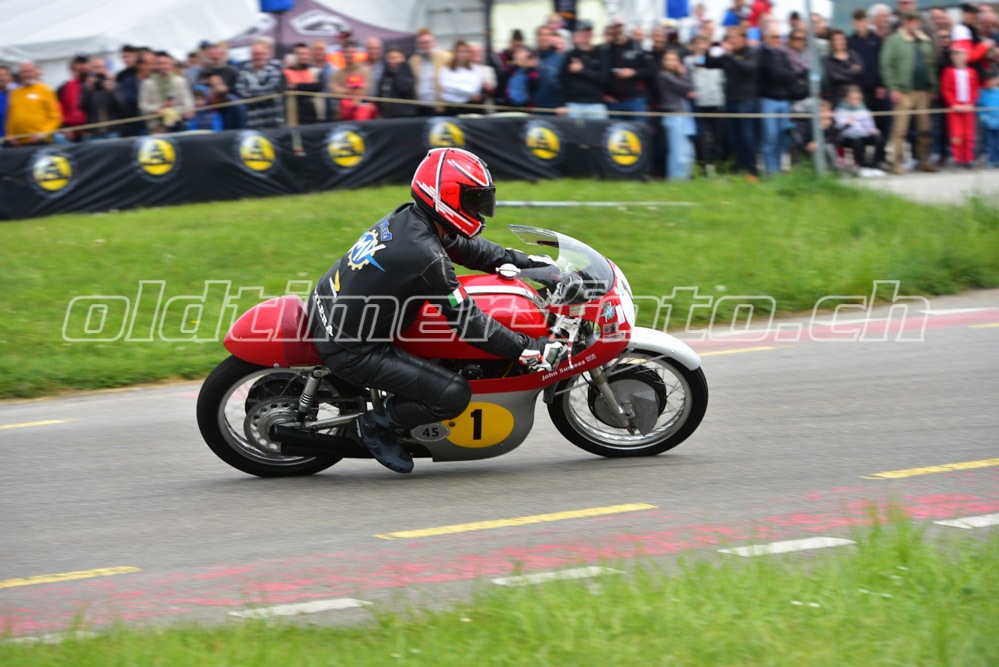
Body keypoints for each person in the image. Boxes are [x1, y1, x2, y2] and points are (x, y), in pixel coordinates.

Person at [307, 148, 560, 474]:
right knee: (452, 393)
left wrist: (526, 264)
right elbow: (469, 323)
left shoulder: (412, 219)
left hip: (328, 304)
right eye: (473, 199)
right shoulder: (426, 256)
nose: (480, 208)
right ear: (445, 198)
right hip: (351, 348)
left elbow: (467, 248)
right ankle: (374, 424)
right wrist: (526, 348)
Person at [880, 11, 938, 173]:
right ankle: (896, 163)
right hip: (903, 91)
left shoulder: (924, 40)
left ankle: (924, 161)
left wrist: (933, 87)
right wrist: (893, 87)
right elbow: (886, 65)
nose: (913, 23)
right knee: (900, 130)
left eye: (915, 20)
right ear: (904, 22)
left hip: (923, 91)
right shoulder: (894, 40)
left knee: (925, 129)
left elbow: (931, 65)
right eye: (910, 20)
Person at [706, 26, 761, 177]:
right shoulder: (728, 55)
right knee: (733, 138)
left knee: (747, 138)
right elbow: (709, 63)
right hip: (730, 101)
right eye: (730, 38)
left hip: (746, 102)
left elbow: (748, 68)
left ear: (743, 38)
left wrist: (730, 55)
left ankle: (752, 171)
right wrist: (710, 47)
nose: (732, 41)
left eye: (735, 37)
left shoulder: (752, 52)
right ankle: (739, 170)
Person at [850, 8, 890, 166]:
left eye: (863, 20)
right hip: (859, 91)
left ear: (867, 22)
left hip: (876, 89)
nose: (860, 24)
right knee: (861, 126)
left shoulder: (876, 40)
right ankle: (862, 160)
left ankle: (880, 157)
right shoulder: (851, 41)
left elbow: (882, 63)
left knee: (882, 124)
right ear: (854, 23)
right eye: (857, 21)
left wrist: (882, 84)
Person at [757, 26, 795, 175]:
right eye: (774, 37)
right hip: (768, 100)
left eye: (779, 37)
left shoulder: (783, 54)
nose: (778, 40)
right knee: (770, 137)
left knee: (781, 137)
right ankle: (770, 171)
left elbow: (791, 74)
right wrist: (783, 75)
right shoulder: (762, 54)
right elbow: (772, 73)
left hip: (784, 100)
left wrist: (782, 75)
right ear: (766, 38)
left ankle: (778, 169)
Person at [685, 35, 726, 168]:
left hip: (717, 101)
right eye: (698, 43)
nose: (701, 46)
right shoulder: (689, 60)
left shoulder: (717, 60)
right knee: (701, 136)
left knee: (718, 135)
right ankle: (702, 164)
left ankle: (719, 164)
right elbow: (697, 64)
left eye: (704, 43)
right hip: (699, 102)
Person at [602, 16, 654, 119]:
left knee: (637, 128)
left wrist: (634, 72)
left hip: (635, 99)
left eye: (620, 26)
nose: (617, 29)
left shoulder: (637, 46)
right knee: (616, 129)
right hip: (614, 100)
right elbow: (602, 74)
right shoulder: (605, 49)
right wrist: (604, 95)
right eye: (614, 27)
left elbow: (652, 70)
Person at [558, 19, 609, 119]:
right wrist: (561, 104)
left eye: (588, 31)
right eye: (583, 31)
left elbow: (604, 78)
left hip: (595, 103)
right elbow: (563, 81)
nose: (586, 34)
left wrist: (582, 70)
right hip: (573, 103)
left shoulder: (601, 53)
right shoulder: (570, 54)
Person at [941, 43, 981, 168]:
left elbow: (975, 89)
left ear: (966, 56)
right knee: (956, 133)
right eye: (955, 54)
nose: (958, 57)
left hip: (968, 107)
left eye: (960, 54)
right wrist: (953, 104)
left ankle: (968, 157)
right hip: (955, 108)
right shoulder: (948, 72)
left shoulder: (972, 72)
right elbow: (946, 89)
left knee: (969, 133)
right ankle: (957, 157)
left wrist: (971, 103)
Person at [658, 50, 696, 180]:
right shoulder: (664, 75)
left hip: (684, 116)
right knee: (678, 152)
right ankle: (676, 179)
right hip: (674, 117)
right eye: (667, 60)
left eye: (673, 60)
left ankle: (685, 179)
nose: (670, 62)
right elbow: (686, 87)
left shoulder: (675, 76)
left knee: (687, 151)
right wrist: (684, 74)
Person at [5, 61, 63, 145]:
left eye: (29, 71)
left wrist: (43, 133)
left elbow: (56, 117)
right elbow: (10, 118)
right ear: (20, 74)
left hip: (40, 142)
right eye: (24, 72)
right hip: (18, 144)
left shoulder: (46, 90)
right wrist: (10, 136)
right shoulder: (14, 93)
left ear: (36, 72)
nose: (27, 74)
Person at [235, 41, 286, 130]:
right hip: (252, 121)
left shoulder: (276, 70)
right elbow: (241, 93)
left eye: (261, 54)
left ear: (268, 54)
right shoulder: (243, 71)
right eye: (255, 54)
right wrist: (262, 92)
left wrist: (250, 90)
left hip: (272, 120)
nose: (258, 57)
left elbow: (271, 92)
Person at [139, 51, 194, 133]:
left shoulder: (180, 81)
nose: (163, 66)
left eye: (166, 63)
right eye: (160, 63)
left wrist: (173, 112)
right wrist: (158, 109)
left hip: (178, 125)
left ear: (171, 65)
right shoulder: (147, 84)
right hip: (156, 127)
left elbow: (188, 104)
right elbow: (142, 106)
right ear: (155, 65)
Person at [834, 86, 885, 171]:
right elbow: (839, 126)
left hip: (864, 133)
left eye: (857, 98)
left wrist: (872, 130)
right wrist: (849, 123)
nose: (854, 101)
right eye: (852, 98)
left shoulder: (863, 110)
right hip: (848, 136)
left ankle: (874, 164)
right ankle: (861, 165)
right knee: (857, 141)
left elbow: (870, 125)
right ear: (846, 98)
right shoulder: (840, 110)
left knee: (879, 139)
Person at [80, 56, 124, 140]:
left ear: (106, 68)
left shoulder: (115, 85)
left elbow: (123, 108)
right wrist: (89, 90)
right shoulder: (86, 86)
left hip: (112, 132)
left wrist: (113, 91)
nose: (98, 70)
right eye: (95, 67)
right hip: (92, 133)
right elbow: (82, 107)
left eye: (101, 67)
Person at [409, 28, 450, 115]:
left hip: (440, 107)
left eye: (428, 42)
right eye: (422, 43)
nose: (425, 45)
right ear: (418, 44)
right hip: (420, 106)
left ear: (434, 42)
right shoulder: (413, 60)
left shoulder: (446, 57)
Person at [438, 40, 484, 115]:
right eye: (459, 51)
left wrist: (450, 88)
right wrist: (465, 91)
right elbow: (444, 92)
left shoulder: (476, 70)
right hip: (450, 108)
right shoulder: (445, 70)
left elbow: (473, 91)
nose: (461, 54)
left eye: (465, 52)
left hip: (469, 107)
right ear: (454, 53)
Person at [283, 42, 322, 124]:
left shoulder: (311, 71)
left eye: (306, 54)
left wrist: (296, 86)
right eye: (300, 54)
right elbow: (287, 89)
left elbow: (317, 87)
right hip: (292, 114)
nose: (303, 56)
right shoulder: (286, 72)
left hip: (311, 114)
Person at [375, 46, 417, 118]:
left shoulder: (407, 72)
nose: (394, 61)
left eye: (397, 57)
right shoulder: (385, 73)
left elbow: (404, 89)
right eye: (391, 58)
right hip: (387, 114)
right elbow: (381, 93)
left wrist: (400, 69)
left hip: (404, 115)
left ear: (403, 59)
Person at [824, 29, 864, 105]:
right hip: (838, 96)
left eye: (842, 39)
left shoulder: (853, 54)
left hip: (856, 95)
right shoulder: (828, 59)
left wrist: (840, 70)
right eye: (836, 39)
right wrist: (851, 70)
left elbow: (859, 71)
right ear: (831, 42)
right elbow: (834, 76)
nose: (840, 42)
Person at [534, 26, 566, 110]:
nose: (544, 38)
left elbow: (566, 84)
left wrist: (562, 104)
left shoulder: (561, 59)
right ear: (536, 38)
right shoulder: (530, 56)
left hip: (554, 107)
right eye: (541, 35)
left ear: (552, 38)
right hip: (533, 107)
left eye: (547, 35)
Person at [979, 71, 999, 167]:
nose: (991, 82)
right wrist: (985, 117)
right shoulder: (984, 93)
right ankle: (991, 160)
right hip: (988, 123)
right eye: (989, 80)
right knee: (990, 143)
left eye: (993, 79)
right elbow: (980, 107)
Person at [0, 66, 13, 142]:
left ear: (10, 78)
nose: (2, 78)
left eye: (5, 75)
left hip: (14, 140)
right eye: (0, 75)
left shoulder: (16, 94)